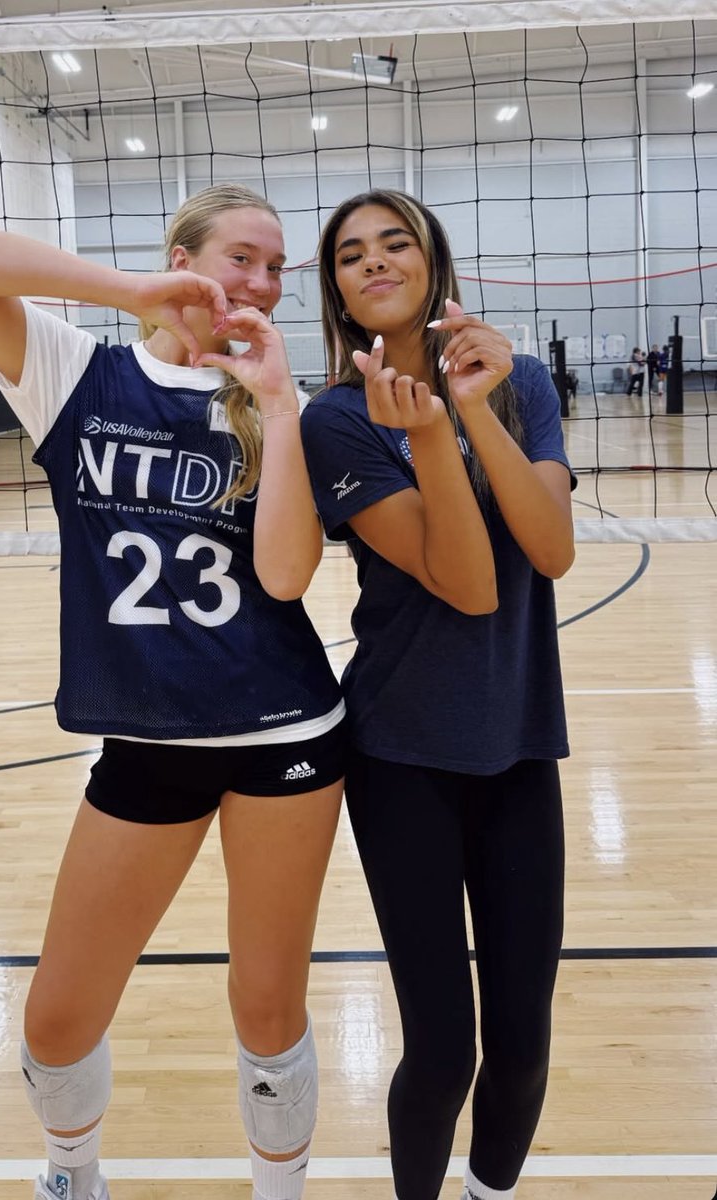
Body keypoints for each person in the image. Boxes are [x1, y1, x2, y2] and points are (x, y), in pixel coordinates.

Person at [0, 183, 346, 1200]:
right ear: (183, 253)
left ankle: (278, 1190)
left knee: (267, 1005)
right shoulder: (78, 373)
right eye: (243, 256)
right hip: (145, 741)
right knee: (57, 1017)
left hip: (284, 730)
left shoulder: (280, 401)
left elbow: (286, 579)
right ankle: (74, 1175)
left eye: (277, 268)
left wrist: (281, 409)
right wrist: (127, 292)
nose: (263, 282)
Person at [299, 188, 576, 1200]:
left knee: (523, 1044)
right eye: (347, 255)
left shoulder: (518, 381)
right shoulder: (334, 420)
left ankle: (487, 1192)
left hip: (518, 742)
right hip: (401, 753)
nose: (372, 263)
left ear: (431, 260)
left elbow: (548, 551)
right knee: (444, 1050)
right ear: (334, 288)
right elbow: (463, 582)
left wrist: (469, 406)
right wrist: (422, 433)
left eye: (392, 243)